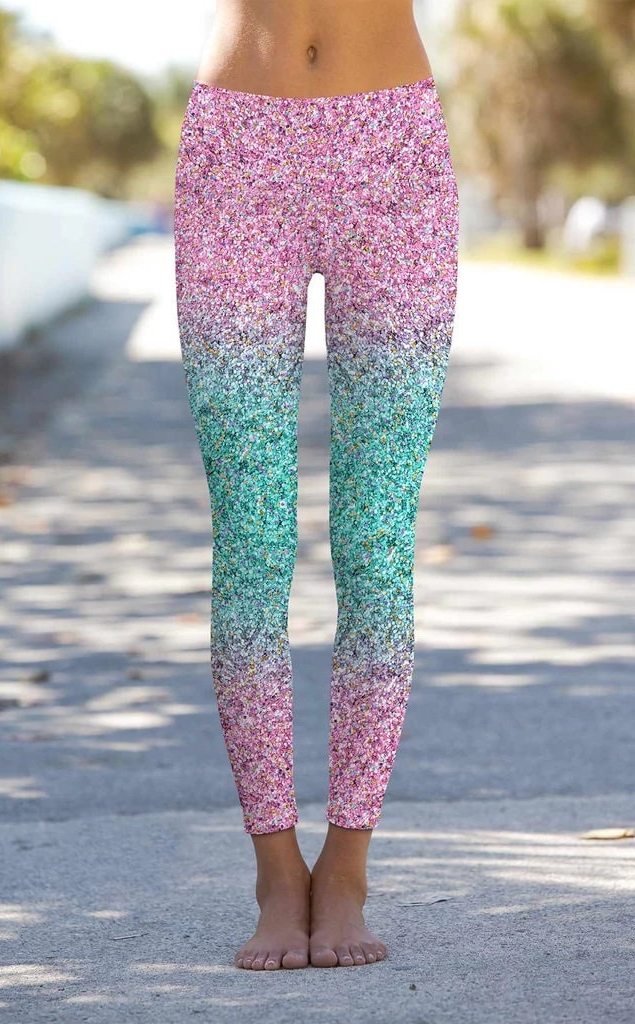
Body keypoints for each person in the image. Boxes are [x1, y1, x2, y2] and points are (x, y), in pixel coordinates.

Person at [172, 0, 459, 971]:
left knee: (376, 537)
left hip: (393, 150)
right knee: (250, 540)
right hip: (235, 152)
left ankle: (346, 866)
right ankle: (273, 868)